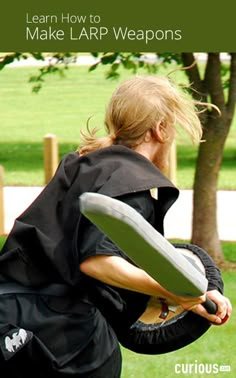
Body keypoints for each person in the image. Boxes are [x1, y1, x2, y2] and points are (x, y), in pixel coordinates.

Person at [0, 75, 232, 377]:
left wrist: (191, 291)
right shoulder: (131, 185)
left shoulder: (82, 164)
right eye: (172, 127)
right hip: (62, 337)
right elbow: (98, 262)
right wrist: (176, 291)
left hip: (10, 312)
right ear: (160, 130)